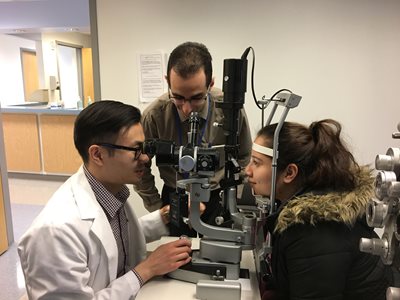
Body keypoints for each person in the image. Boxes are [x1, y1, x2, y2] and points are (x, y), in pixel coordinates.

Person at [18, 100, 192, 299]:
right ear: (98, 154)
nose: (145, 158)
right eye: (136, 150)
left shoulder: (110, 190)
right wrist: (145, 270)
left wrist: (165, 217)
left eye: (145, 148)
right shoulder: (55, 232)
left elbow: (113, 241)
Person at [245, 119, 394, 300]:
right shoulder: (303, 212)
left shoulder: (313, 231)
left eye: (256, 163)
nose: (248, 170)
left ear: (290, 173)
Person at [135, 41, 252, 236]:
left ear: (211, 84)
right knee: (177, 256)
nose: (187, 108)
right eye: (178, 97)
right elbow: (140, 168)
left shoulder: (229, 109)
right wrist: (158, 209)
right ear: (167, 81)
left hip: (217, 196)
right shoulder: (154, 115)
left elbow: (244, 156)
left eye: (197, 97)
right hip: (174, 195)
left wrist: (232, 202)